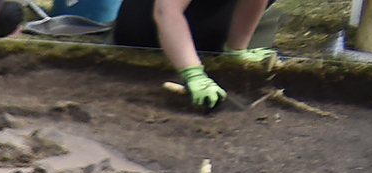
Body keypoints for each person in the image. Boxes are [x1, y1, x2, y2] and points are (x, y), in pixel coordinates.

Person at [114, 0, 273, 108]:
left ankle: (209, 44)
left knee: (211, 36)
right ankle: (185, 53)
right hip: (146, 29)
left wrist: (237, 50)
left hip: (196, 14)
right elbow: (165, 12)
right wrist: (193, 73)